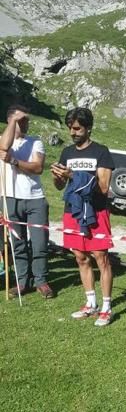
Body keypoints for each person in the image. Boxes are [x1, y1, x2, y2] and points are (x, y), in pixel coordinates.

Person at [51, 107, 115, 327]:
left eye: (77, 128)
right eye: (70, 128)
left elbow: (104, 187)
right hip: (73, 211)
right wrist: (58, 177)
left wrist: (74, 175)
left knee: (101, 258)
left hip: (96, 210)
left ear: (88, 128)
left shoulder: (101, 152)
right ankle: (91, 303)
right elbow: (61, 186)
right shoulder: (67, 153)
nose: (72, 132)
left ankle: (107, 307)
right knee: (80, 257)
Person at [0, 104, 53, 298]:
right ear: (10, 121)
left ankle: (41, 280)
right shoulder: (2, 140)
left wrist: (14, 161)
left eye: (27, 120)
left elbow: (38, 167)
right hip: (10, 197)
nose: (26, 123)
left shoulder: (35, 142)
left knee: (39, 241)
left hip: (35, 198)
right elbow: (4, 147)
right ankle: (22, 282)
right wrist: (14, 121)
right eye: (21, 120)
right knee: (17, 242)